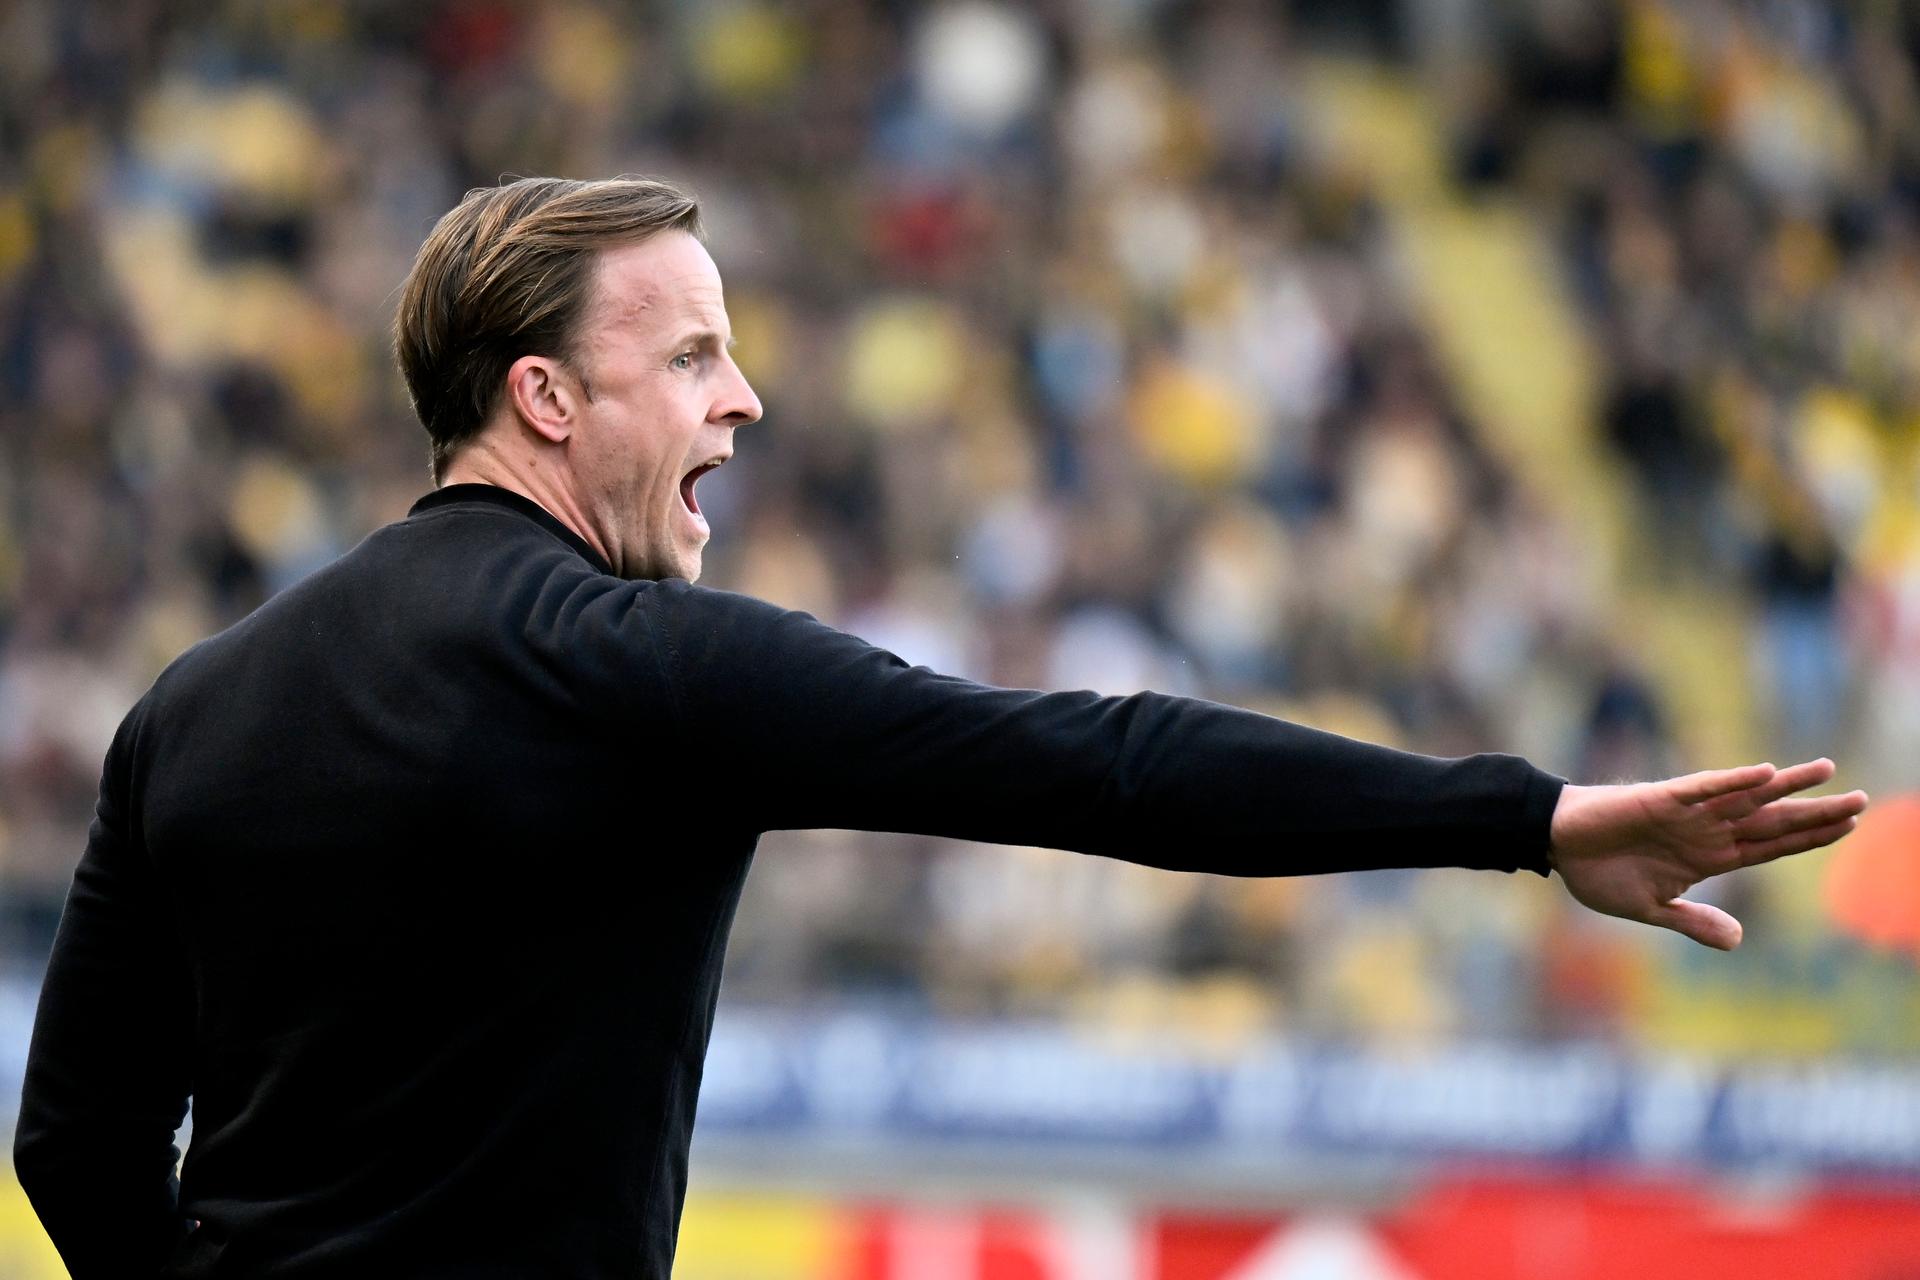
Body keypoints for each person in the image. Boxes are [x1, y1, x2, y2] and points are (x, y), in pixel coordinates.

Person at [12, 176, 1869, 1279]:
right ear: (543, 398)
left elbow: (74, 1146)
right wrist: (1529, 817)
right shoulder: (648, 672)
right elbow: (1104, 764)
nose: (743, 401)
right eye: (691, 360)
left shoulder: (192, 711)